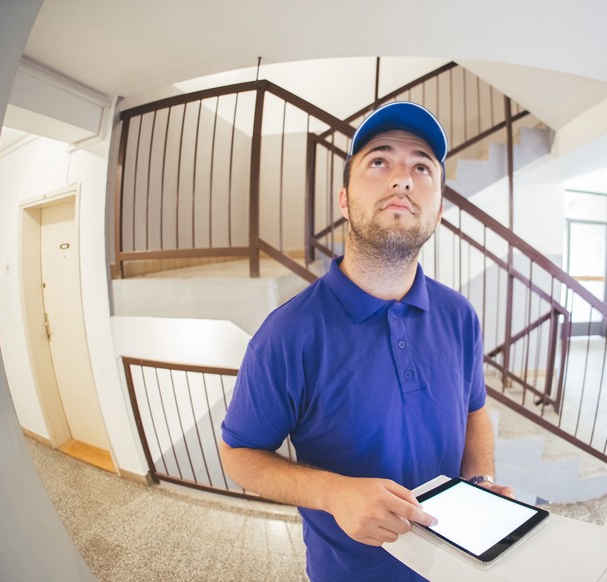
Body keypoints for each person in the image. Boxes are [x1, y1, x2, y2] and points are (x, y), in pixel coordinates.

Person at [219, 101, 512, 581]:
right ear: (344, 200)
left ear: (437, 209)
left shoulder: (460, 315)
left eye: (422, 167)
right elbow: (240, 454)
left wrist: (480, 481)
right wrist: (334, 493)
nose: (402, 179)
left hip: (453, 564)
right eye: (379, 161)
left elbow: (474, 410)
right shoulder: (288, 334)